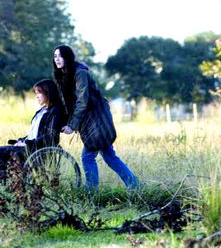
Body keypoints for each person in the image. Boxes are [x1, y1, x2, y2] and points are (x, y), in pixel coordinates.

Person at [52, 44, 140, 189]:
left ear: (68, 57)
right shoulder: (63, 76)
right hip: (88, 120)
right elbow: (68, 104)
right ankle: (135, 186)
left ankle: (91, 192)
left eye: (61, 55)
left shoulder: (79, 73)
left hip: (96, 120)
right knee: (109, 156)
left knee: (88, 157)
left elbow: (82, 101)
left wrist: (72, 125)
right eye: (55, 56)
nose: (57, 59)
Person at [0, 79, 65, 179]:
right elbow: (34, 133)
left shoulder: (56, 111)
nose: (37, 96)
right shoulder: (42, 111)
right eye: (35, 93)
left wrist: (28, 143)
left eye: (39, 92)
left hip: (35, 149)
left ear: (48, 92)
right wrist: (21, 140)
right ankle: (10, 185)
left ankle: (10, 185)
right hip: (28, 146)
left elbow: (51, 136)